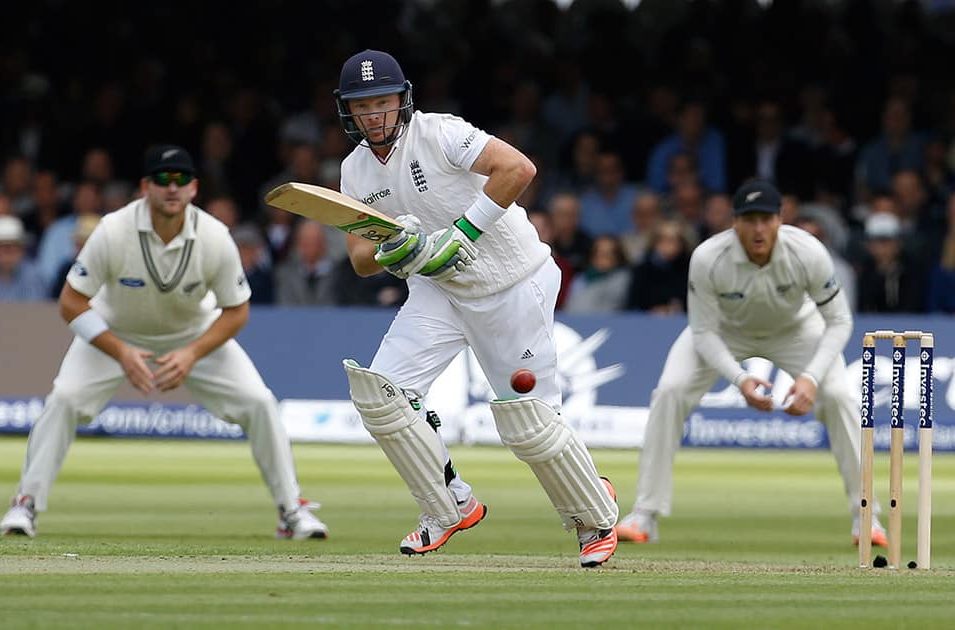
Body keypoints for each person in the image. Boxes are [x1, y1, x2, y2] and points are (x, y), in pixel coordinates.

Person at [333, 50, 618, 567]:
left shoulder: (440, 132)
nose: (374, 115)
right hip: (439, 290)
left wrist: (458, 234)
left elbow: (517, 168)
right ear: (347, 112)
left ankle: (593, 517)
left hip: (512, 281)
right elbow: (359, 258)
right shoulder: (354, 171)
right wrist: (393, 250)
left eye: (382, 102)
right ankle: (450, 506)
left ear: (403, 100)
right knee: (381, 395)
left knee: (529, 422)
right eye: (362, 106)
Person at [0, 145, 328, 541]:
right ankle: (26, 503)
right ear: (145, 187)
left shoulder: (213, 236)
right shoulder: (113, 230)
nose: (172, 188)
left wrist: (191, 353)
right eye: (162, 179)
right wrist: (119, 351)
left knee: (259, 403)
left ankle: (291, 509)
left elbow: (237, 311)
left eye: (181, 180)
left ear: (193, 188)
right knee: (64, 399)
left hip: (193, 334)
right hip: (115, 332)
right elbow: (71, 302)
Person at [614, 179, 886, 548]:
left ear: (780, 220)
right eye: (749, 219)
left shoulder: (808, 251)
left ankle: (866, 516)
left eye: (766, 219)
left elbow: (839, 321)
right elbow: (703, 331)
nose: (758, 229)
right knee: (670, 391)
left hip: (795, 329)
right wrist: (740, 379)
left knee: (839, 397)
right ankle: (644, 514)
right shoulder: (709, 257)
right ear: (735, 223)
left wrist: (809, 378)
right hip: (725, 330)